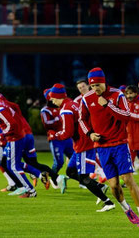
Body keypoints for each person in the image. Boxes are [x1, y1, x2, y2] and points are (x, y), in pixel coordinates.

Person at [78, 67, 139, 227]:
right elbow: (81, 120)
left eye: (98, 85)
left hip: (120, 144)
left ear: (104, 82)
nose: (96, 88)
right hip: (102, 147)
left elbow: (126, 116)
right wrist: (90, 134)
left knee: (128, 179)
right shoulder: (86, 99)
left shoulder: (117, 95)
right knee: (114, 186)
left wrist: (108, 105)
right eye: (93, 85)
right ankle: (127, 209)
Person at [48, 83, 115, 212]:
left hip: (83, 144)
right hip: (81, 143)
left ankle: (108, 202)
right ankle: (99, 186)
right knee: (70, 171)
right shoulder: (72, 103)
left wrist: (55, 135)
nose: (51, 100)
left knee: (84, 177)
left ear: (57, 96)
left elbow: (67, 132)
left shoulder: (66, 109)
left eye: (52, 97)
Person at [0, 89, 37, 198]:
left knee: (12, 166)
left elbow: (11, 123)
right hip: (18, 135)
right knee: (9, 164)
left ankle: (29, 188)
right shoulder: (1, 102)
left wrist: (4, 134)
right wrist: (20, 119)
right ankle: (28, 183)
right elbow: (16, 107)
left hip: (14, 137)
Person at [40, 88, 74, 174]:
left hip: (67, 136)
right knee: (59, 162)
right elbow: (46, 124)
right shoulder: (45, 110)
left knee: (75, 158)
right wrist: (57, 119)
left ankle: (79, 178)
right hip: (55, 138)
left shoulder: (63, 106)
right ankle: (53, 178)